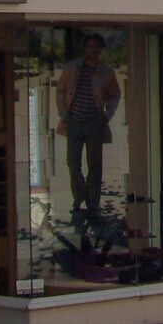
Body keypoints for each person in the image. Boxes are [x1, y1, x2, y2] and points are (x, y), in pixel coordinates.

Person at [56, 33, 121, 222]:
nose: (93, 50)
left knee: (95, 164)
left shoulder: (105, 71)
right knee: (72, 162)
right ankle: (79, 196)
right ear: (85, 48)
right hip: (74, 120)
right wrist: (64, 114)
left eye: (97, 47)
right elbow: (60, 91)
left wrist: (107, 115)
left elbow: (115, 94)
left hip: (95, 122)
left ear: (101, 49)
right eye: (90, 46)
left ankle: (93, 203)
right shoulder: (72, 68)